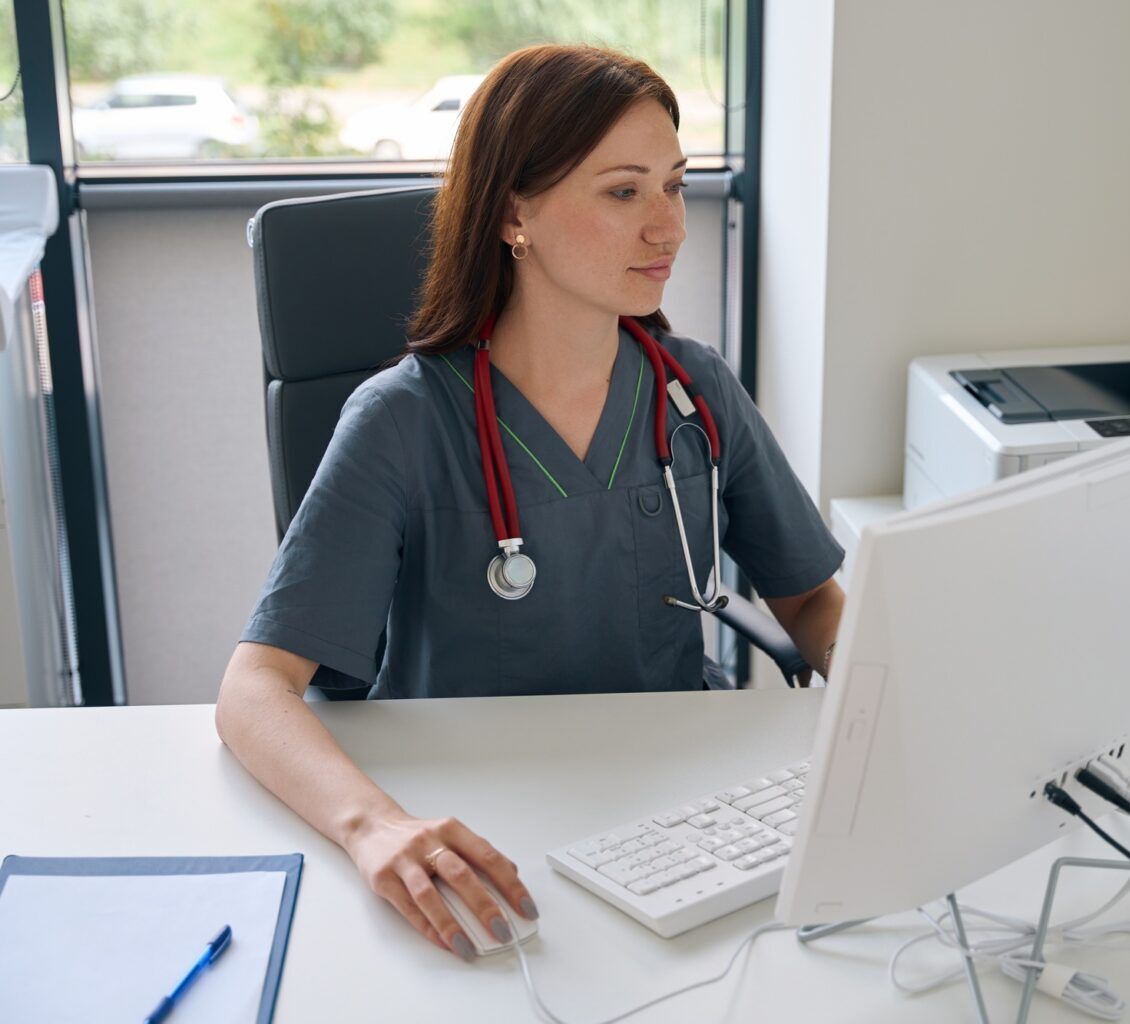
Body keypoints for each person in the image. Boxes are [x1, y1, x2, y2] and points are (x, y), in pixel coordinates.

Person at [214, 44, 845, 961]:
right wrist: (372, 827)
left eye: (675, 186)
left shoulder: (694, 391)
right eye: (624, 192)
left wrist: (891, 706)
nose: (669, 227)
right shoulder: (402, 422)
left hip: (677, 813)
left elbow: (811, 600)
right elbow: (253, 690)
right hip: (477, 826)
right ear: (515, 214)